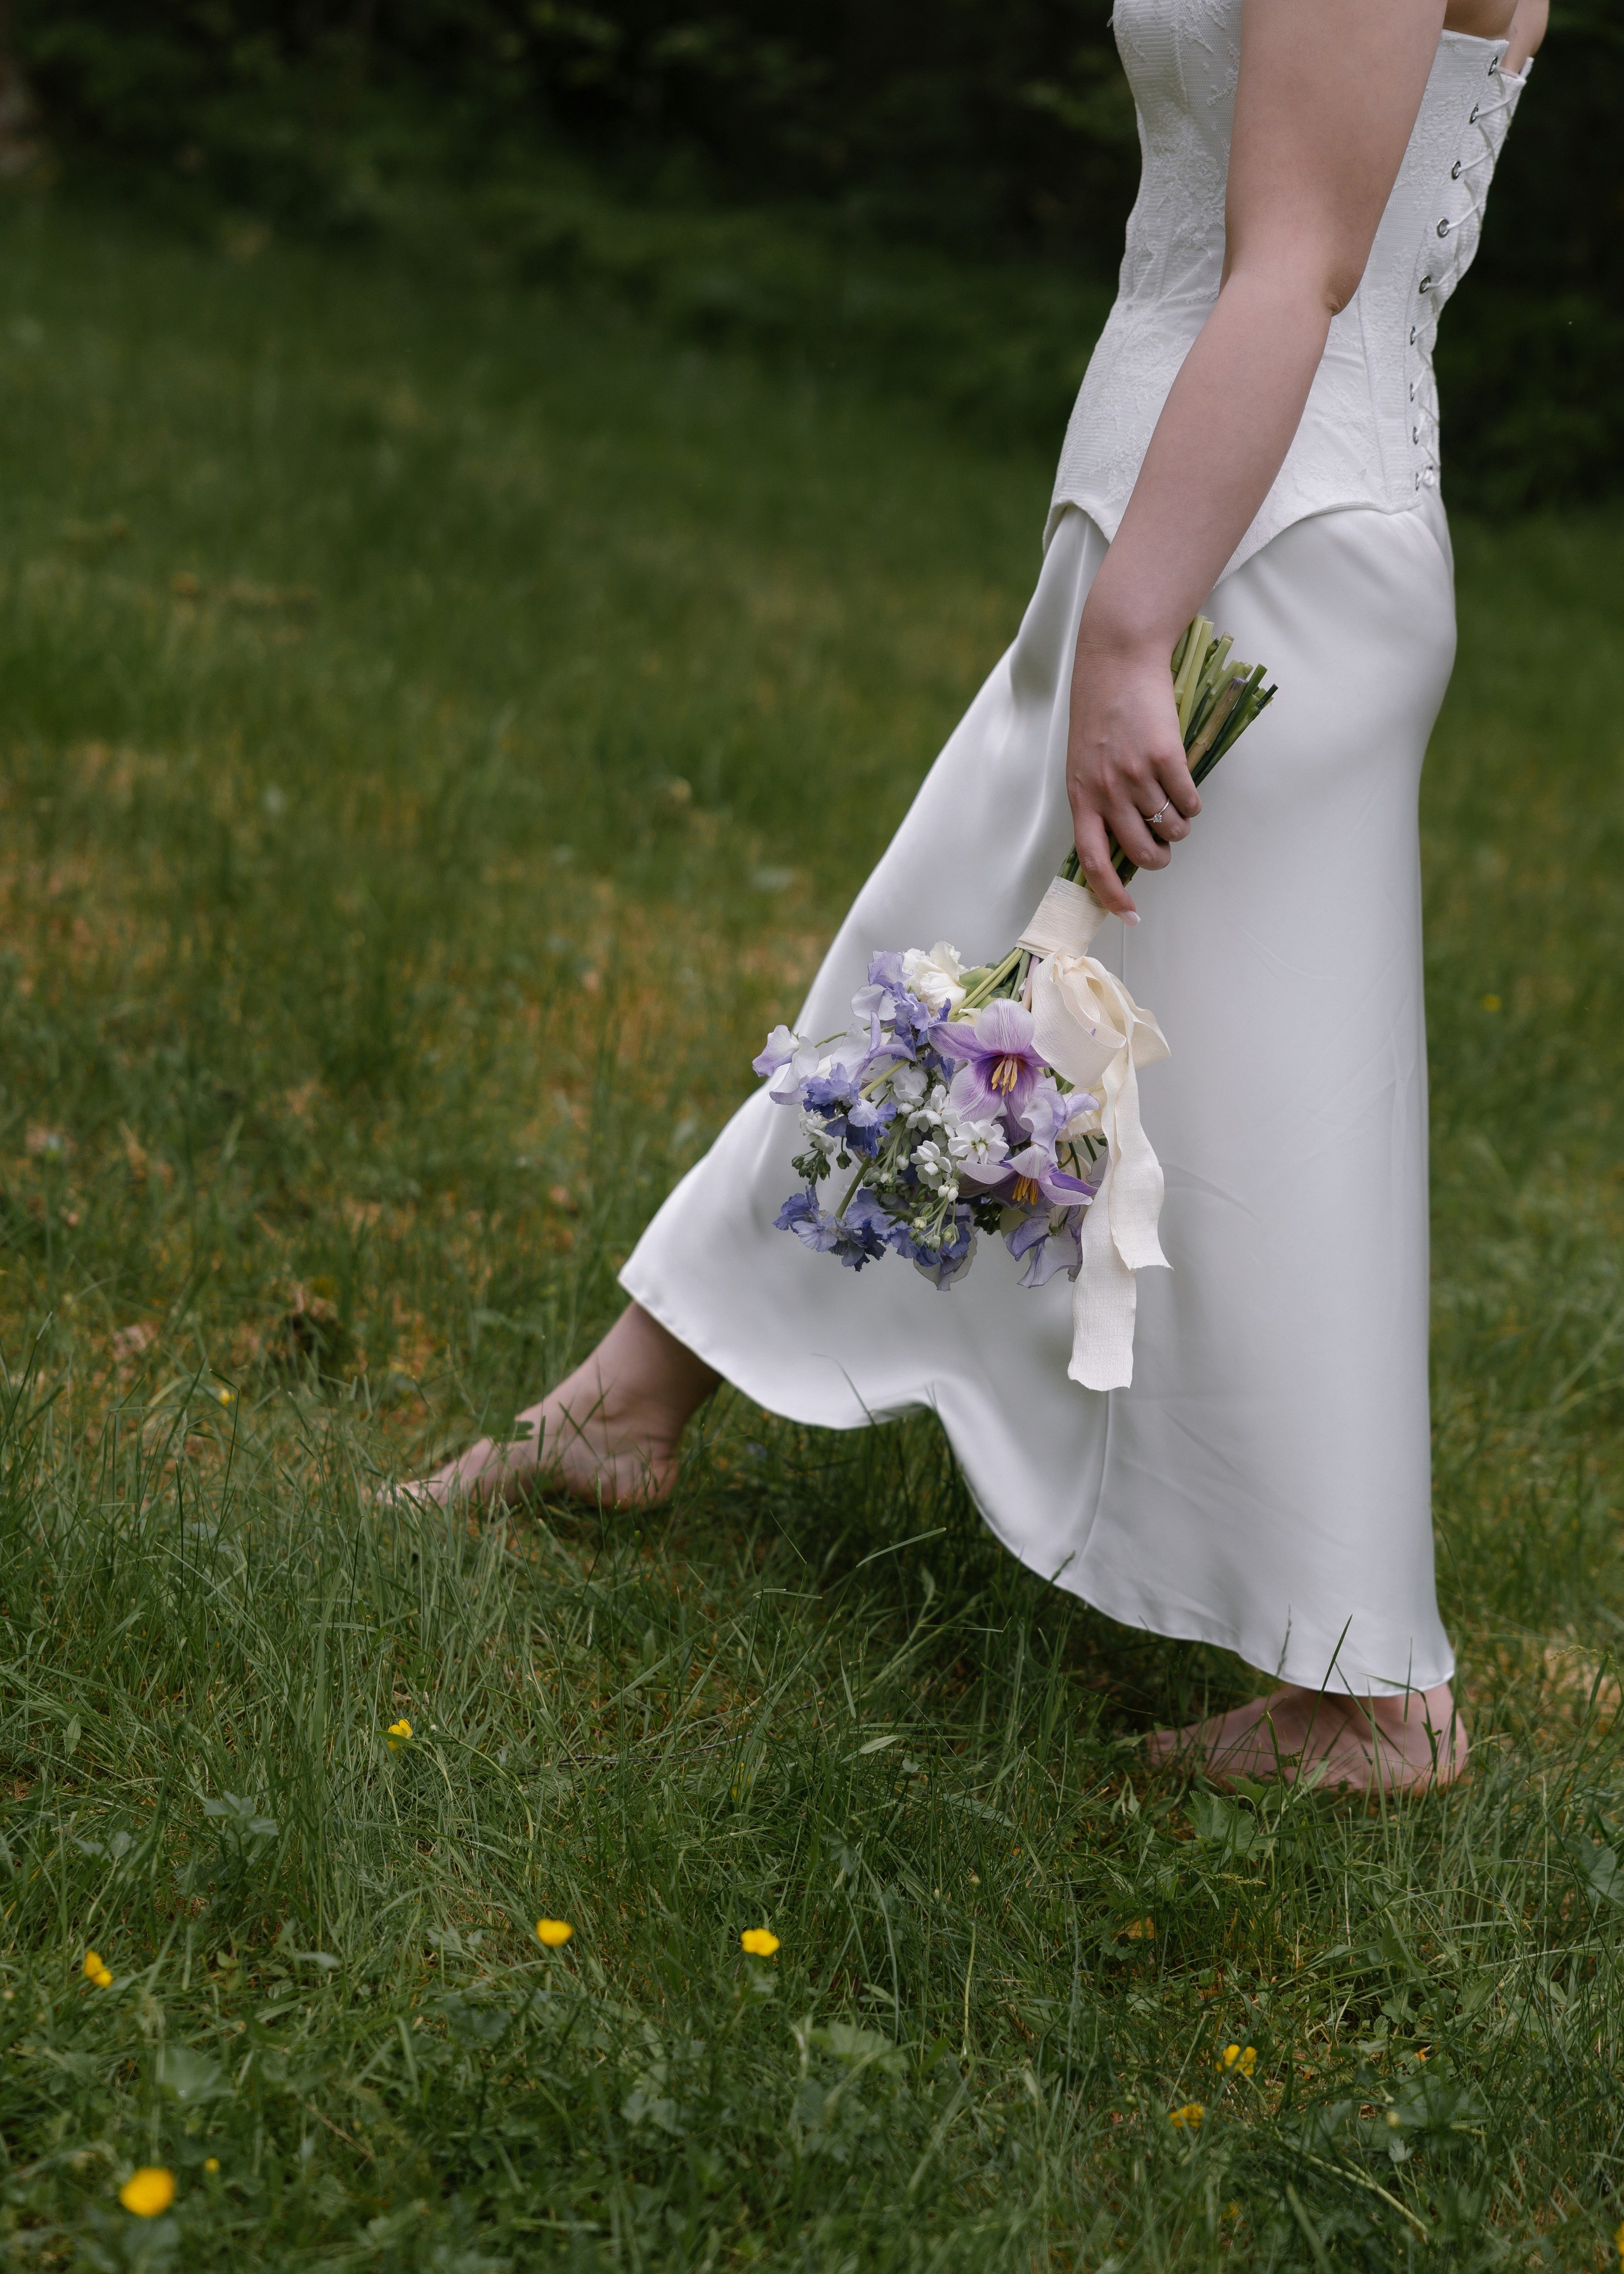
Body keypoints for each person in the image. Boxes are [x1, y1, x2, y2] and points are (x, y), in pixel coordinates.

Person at [409, 0, 1548, 1792]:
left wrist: (1136, 631)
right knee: (946, 980)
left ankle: (1377, 1699)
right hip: (1185, 522)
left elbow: (1301, 269)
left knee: (1253, 1123)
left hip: (1255, 558)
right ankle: (632, 1401)